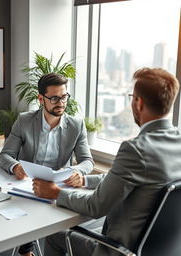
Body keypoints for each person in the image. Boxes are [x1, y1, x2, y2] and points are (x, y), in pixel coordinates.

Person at [32, 67, 181, 256]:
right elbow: (120, 178)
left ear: (138, 102)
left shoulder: (136, 149)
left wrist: (55, 192)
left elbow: (95, 206)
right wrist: (85, 181)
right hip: (162, 249)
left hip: (120, 250)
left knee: (54, 234)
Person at [0, 72, 94, 256]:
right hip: (27, 186)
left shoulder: (76, 125)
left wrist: (73, 171)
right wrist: (15, 167)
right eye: (55, 98)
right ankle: (26, 248)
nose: (61, 103)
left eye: (64, 96)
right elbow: (5, 155)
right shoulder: (24, 120)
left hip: (56, 188)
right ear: (41, 98)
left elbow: (87, 161)